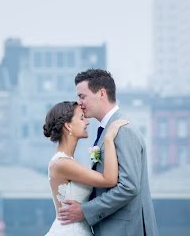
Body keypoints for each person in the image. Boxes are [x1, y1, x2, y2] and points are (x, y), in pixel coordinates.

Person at [58, 68, 159, 236]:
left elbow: (128, 187)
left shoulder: (123, 130)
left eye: (82, 96)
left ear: (102, 93)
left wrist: (85, 210)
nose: (79, 103)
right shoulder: (108, 130)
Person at [42, 100, 129, 235]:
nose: (87, 122)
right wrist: (109, 138)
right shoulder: (62, 163)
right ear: (68, 126)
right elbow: (110, 180)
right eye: (82, 118)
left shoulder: (68, 161)